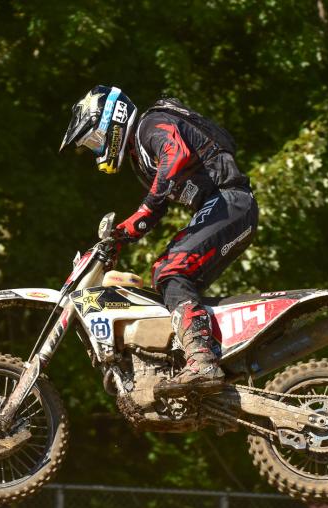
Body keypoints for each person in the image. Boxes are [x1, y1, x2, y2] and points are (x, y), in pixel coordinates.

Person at [60, 85, 258, 395]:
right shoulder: (141, 159)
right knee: (166, 276)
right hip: (223, 207)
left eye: (95, 139)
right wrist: (121, 235)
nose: (97, 149)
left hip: (230, 202)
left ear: (113, 119)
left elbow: (175, 155)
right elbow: (157, 206)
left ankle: (202, 361)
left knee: (171, 269)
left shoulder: (150, 125)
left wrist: (144, 209)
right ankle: (195, 354)